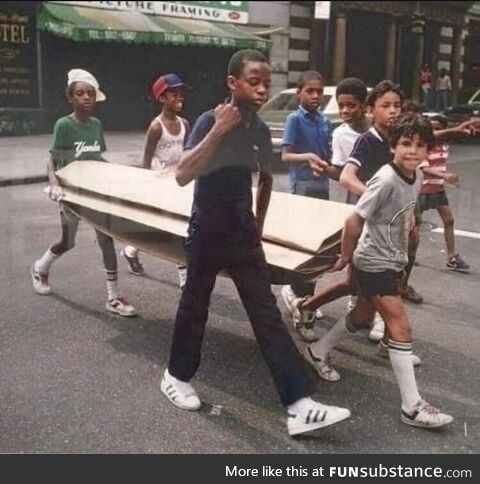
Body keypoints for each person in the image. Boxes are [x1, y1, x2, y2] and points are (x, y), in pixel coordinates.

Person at [160, 50, 351, 437]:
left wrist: (257, 226)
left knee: (266, 313)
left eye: (267, 82)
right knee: (195, 305)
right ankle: (175, 376)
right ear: (233, 83)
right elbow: (182, 174)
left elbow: (265, 177)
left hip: (243, 233)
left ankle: (298, 404)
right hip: (208, 229)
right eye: (254, 81)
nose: (263, 89)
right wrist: (218, 130)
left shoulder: (261, 131)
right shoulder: (209, 120)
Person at [304, 113, 454, 428]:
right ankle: (411, 407)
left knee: (360, 318)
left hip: (390, 259)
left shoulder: (416, 176)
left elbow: (406, 210)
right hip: (374, 262)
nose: (412, 151)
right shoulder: (386, 178)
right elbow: (354, 219)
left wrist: (411, 227)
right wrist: (345, 257)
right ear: (392, 147)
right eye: (405, 144)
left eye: (419, 145)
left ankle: (318, 350)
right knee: (400, 326)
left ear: (427, 150)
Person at [31, 69, 136, 317]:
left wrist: (122, 174)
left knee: (106, 239)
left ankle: (112, 297)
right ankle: (40, 267)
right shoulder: (64, 125)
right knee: (68, 241)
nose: (86, 98)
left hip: (94, 192)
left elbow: (95, 157)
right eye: (80, 94)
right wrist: (54, 184)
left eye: (90, 94)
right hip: (70, 193)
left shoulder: (96, 125)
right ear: (71, 98)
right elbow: (52, 159)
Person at [279, 70, 334, 342]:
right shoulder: (294, 119)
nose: (315, 96)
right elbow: (286, 154)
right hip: (301, 188)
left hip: (322, 187)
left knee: (320, 247)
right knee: (303, 247)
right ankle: (298, 297)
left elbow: (329, 155)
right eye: (309, 91)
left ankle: (306, 296)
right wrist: (309, 157)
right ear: (299, 92)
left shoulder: (325, 122)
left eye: (319, 91)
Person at [121, 73, 190, 287]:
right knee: (169, 229)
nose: (179, 98)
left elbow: (187, 153)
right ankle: (184, 278)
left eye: (181, 95)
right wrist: (147, 185)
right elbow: (147, 159)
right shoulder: (156, 127)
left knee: (179, 228)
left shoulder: (185, 123)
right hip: (160, 184)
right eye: (174, 95)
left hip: (179, 183)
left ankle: (131, 250)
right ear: (162, 99)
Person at [418, 114, 470, 271]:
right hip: (422, 191)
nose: (435, 133)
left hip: (438, 190)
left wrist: (448, 180)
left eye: (439, 129)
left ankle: (451, 257)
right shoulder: (423, 146)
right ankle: (405, 255)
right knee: (412, 226)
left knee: (449, 221)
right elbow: (423, 168)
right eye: (432, 129)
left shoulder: (445, 147)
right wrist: (444, 176)